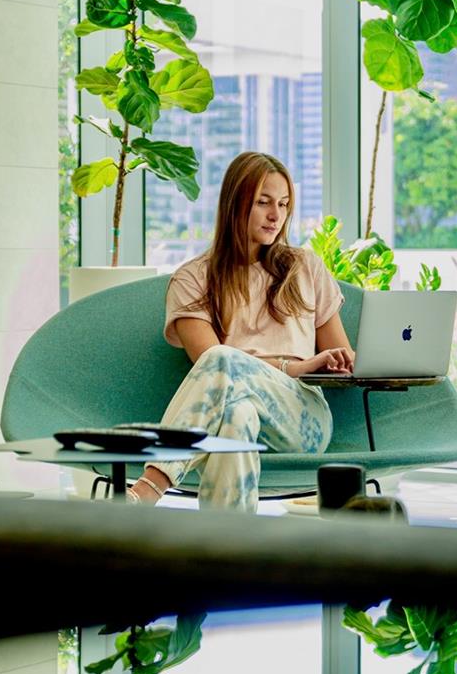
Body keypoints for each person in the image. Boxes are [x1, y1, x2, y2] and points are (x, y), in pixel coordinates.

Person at [126, 151, 356, 511]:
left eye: (282, 204)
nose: (275, 215)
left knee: (225, 364)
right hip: (230, 415)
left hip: (302, 420)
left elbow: (343, 360)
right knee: (236, 415)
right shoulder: (192, 279)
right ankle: (230, 550)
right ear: (235, 204)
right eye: (263, 202)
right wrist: (288, 364)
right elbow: (210, 365)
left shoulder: (305, 267)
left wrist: (327, 363)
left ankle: (149, 488)